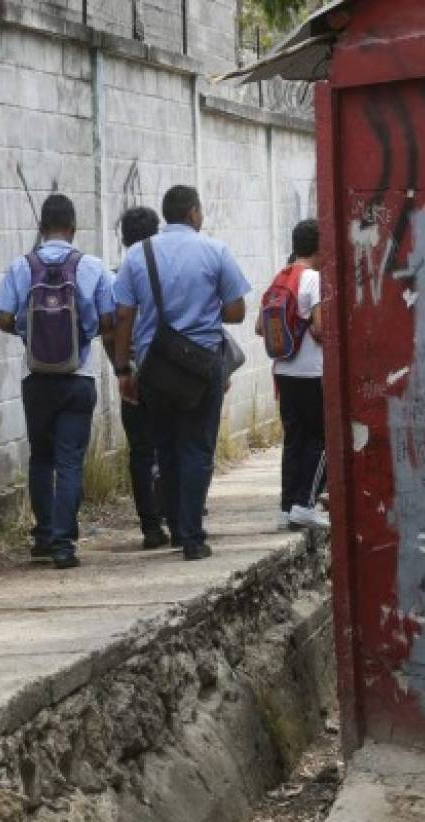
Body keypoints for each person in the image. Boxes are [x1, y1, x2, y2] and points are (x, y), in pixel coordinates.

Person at [112, 185, 251, 561]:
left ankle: (174, 526)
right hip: (202, 366)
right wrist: (205, 310)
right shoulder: (215, 250)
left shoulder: (137, 256)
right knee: (197, 449)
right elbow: (237, 311)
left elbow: (123, 315)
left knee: (166, 448)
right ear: (193, 213)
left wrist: (123, 369)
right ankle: (192, 536)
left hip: (154, 368)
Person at [0, 194, 115, 570]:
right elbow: (110, 320)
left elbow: (3, 319)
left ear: (41, 229)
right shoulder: (92, 266)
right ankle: (64, 545)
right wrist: (83, 333)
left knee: (41, 459)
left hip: (38, 380)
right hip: (78, 379)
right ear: (73, 229)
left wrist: (35, 335)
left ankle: (43, 537)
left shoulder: (21, 267)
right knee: (70, 462)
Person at [258, 219, 329, 530]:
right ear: (320, 246)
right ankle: (306, 504)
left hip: (284, 371)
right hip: (311, 373)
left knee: (293, 440)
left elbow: (261, 327)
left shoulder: (282, 275)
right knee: (321, 439)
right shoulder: (313, 279)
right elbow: (321, 327)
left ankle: (287, 508)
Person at [115, 205, 169, 550]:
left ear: (123, 238)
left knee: (140, 450)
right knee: (172, 443)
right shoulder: (169, 267)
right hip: (169, 369)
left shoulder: (121, 271)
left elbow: (113, 326)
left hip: (135, 372)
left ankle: (150, 525)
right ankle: (177, 513)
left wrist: (122, 369)